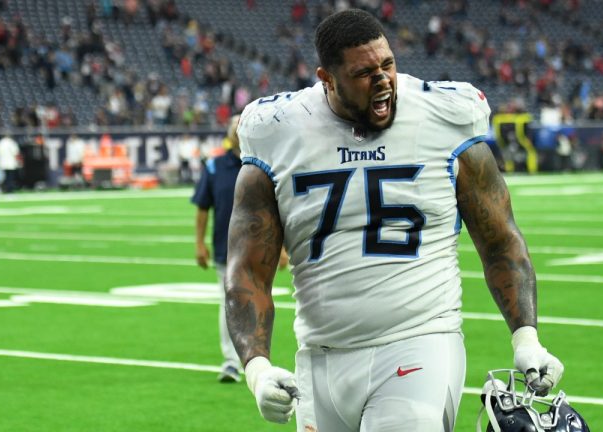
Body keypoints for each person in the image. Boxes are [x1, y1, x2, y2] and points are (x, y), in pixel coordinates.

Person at [226, 9, 563, 431]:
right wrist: (256, 366)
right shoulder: (277, 128)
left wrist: (526, 337)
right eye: (365, 72)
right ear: (326, 78)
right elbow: (246, 270)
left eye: (388, 64)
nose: (384, 79)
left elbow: (500, 241)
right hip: (319, 358)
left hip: (419, 346)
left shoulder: (444, 115)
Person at [191, 115, 288, 383]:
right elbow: (202, 207)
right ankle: (231, 361)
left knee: (261, 298)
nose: (236, 128)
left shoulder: (264, 163)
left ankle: (258, 357)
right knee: (230, 302)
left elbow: (280, 207)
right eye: (233, 125)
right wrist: (199, 243)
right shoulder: (214, 166)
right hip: (226, 246)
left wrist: (282, 248)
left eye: (241, 124)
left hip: (260, 246)